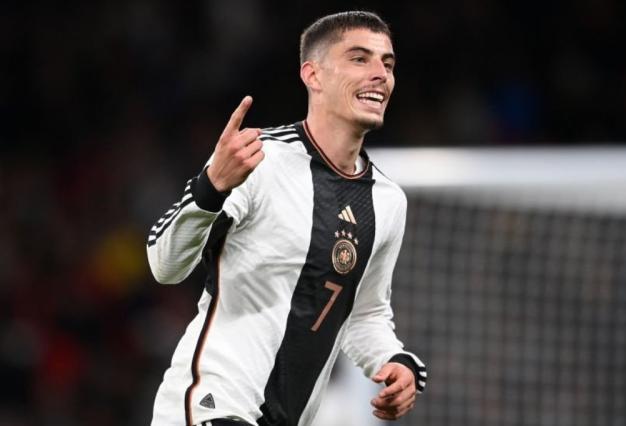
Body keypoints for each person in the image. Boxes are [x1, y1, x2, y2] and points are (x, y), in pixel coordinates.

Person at [147, 11, 426, 426]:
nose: (380, 74)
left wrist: (395, 360)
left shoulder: (386, 202)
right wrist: (211, 188)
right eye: (359, 58)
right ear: (313, 75)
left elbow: (364, 313)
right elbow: (164, 265)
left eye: (387, 64)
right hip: (213, 406)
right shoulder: (257, 159)